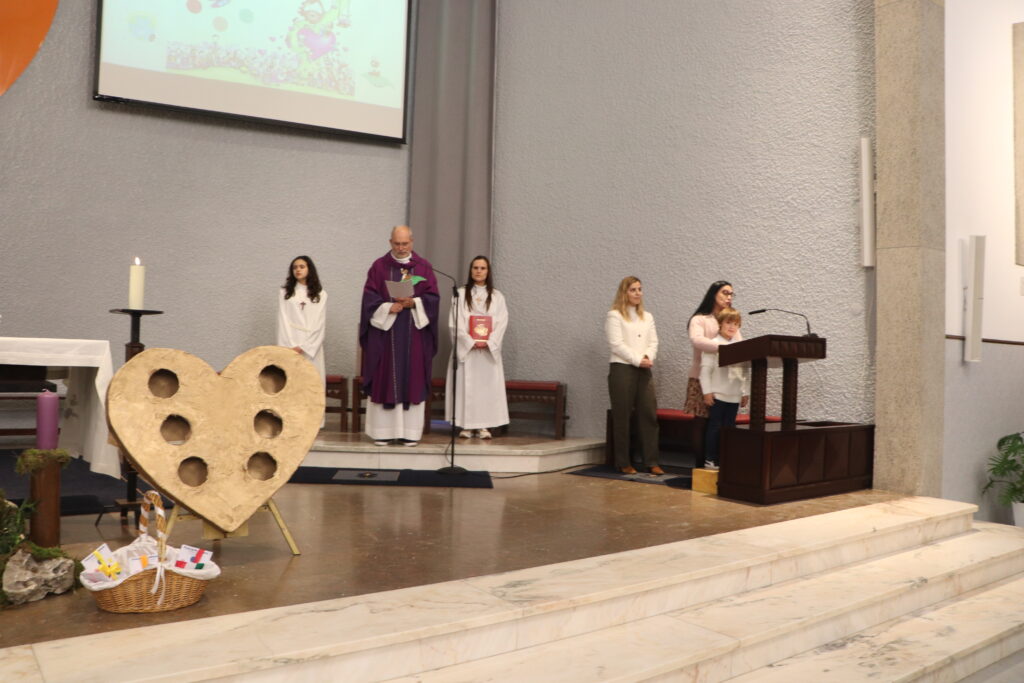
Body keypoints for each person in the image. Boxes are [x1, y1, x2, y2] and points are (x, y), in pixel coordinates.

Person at [359, 225, 440, 446]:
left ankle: (409, 433)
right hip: (386, 337)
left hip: (414, 334)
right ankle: (383, 432)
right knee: (385, 377)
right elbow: (368, 299)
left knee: (413, 378)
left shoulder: (424, 268)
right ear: (390, 243)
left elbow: (433, 298)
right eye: (397, 243)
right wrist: (387, 307)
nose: (401, 247)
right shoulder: (379, 267)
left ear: (412, 242)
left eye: (405, 243)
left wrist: (414, 303)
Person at [445, 256, 509, 439]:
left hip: (487, 351)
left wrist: (488, 342)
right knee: (466, 387)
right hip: (468, 351)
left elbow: (502, 322)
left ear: (488, 271)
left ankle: (483, 426)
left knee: (486, 389)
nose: (479, 271)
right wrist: (470, 341)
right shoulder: (460, 293)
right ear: (470, 270)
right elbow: (454, 322)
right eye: (475, 268)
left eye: (482, 268)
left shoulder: (497, 296)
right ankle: (465, 425)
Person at [605, 276, 663, 475]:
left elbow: (653, 342)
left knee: (648, 414)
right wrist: (638, 360)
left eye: (639, 289)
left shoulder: (648, 316)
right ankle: (623, 462)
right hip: (622, 368)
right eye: (633, 290)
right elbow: (616, 344)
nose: (638, 293)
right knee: (622, 416)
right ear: (624, 293)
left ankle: (651, 461)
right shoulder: (614, 315)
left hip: (644, 368)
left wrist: (648, 357)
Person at [699, 307, 750, 470]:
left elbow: (745, 371)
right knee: (715, 427)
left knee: (729, 428)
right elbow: (705, 371)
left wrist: (745, 392)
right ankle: (710, 459)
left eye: (735, 324)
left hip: (734, 395)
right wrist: (707, 392)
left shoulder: (741, 347)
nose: (731, 327)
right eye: (728, 322)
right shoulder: (713, 345)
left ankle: (725, 459)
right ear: (720, 324)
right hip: (718, 394)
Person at [684, 280, 740, 417]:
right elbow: (697, 340)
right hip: (702, 376)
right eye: (725, 293)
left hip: (724, 380)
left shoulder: (730, 321)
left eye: (731, 294)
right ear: (713, 294)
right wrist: (725, 348)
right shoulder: (699, 319)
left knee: (720, 421)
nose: (729, 297)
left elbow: (739, 345)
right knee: (701, 419)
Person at [277, 255, 327, 384]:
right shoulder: (285, 293)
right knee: (292, 381)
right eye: (295, 267)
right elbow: (283, 319)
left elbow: (320, 323)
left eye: (302, 267)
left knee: (311, 382)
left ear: (309, 269)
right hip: (290, 342)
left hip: (311, 346)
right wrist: (289, 346)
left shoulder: (320, 294)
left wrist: (304, 347)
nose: (298, 270)